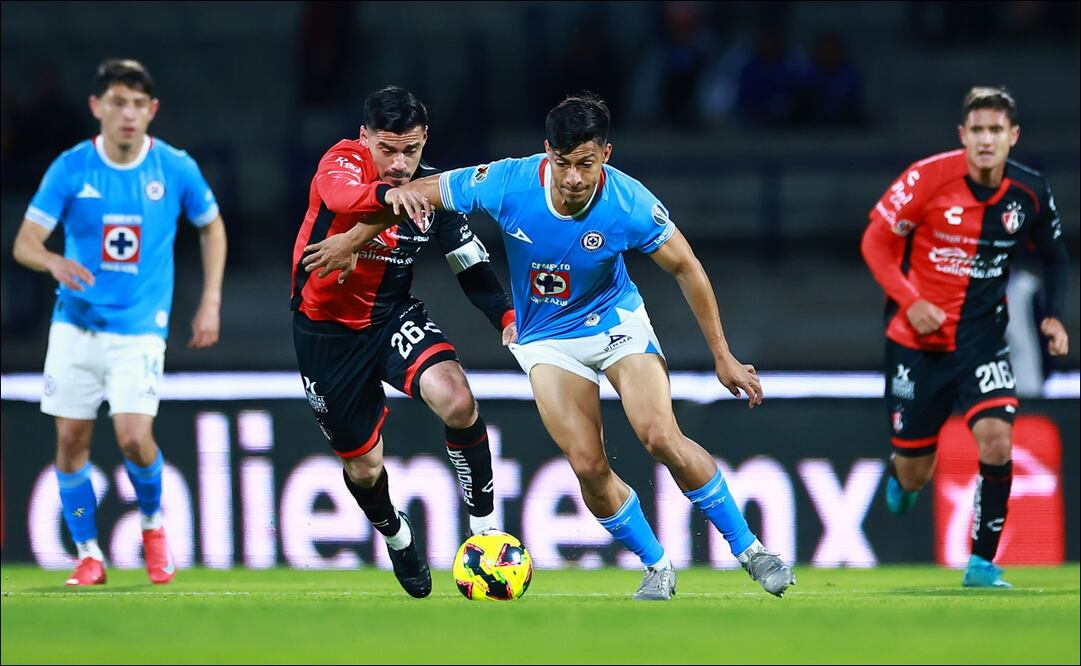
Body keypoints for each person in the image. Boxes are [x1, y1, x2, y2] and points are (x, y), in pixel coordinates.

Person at [302, 93, 795, 601]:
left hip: (615, 324)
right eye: (563, 164)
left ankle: (753, 551)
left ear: (606, 154)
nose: (573, 178)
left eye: (585, 164)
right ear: (547, 153)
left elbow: (687, 267)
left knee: (659, 436)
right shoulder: (510, 181)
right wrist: (354, 240)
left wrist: (723, 355)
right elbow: (416, 193)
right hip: (546, 341)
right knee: (587, 464)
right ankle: (656, 566)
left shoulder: (630, 203)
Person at [291, 86, 516, 599]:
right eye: (387, 149)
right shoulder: (340, 162)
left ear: (424, 141)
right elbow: (343, 197)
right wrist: (391, 195)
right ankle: (397, 534)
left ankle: (485, 538)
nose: (398, 163)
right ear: (365, 137)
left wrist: (503, 315)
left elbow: (469, 261)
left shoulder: (432, 192)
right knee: (365, 466)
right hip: (325, 330)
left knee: (459, 402)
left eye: (409, 151)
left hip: (393, 317)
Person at [11, 59, 227, 586]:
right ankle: (88, 554)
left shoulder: (175, 168)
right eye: (117, 102)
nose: (127, 114)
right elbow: (24, 243)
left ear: (151, 110)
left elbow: (212, 227)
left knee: (133, 437)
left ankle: (153, 526)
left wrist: (211, 301)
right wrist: (53, 261)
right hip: (75, 324)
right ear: (96, 107)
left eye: (137, 104)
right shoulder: (70, 168)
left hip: (139, 328)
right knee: (69, 441)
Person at [861, 86, 1069, 588]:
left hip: (982, 341)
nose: (985, 139)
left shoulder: (1031, 192)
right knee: (915, 473)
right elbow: (876, 243)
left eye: (995, 130)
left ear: (1012, 137)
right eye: (977, 130)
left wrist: (1055, 317)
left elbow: (1055, 255)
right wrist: (913, 302)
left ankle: (981, 563)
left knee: (997, 441)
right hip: (916, 344)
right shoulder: (928, 178)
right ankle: (901, 473)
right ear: (963, 135)